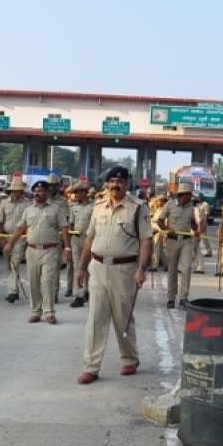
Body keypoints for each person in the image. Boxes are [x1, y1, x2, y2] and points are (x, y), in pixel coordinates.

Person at [74, 165, 151, 385]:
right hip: (98, 268)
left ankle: (129, 358)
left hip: (124, 270)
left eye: (120, 182)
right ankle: (91, 366)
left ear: (127, 184)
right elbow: (90, 239)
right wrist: (81, 267)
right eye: (112, 182)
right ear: (106, 184)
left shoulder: (137, 208)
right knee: (96, 318)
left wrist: (141, 269)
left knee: (122, 318)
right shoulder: (98, 208)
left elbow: (146, 240)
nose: (115, 185)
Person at [5, 179, 71, 324]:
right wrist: (10, 243)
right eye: (35, 191)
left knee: (48, 282)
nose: (37, 193)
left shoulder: (56, 209)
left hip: (51, 250)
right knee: (33, 282)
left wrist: (67, 248)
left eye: (40, 191)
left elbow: (64, 229)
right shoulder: (28, 210)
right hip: (32, 250)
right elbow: (20, 228)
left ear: (47, 193)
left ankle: (49, 312)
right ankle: (36, 312)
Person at [157, 182, 201, 309]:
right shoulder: (169, 205)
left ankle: (183, 298)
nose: (190, 197)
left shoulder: (191, 207)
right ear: (182, 195)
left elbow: (192, 222)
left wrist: (196, 229)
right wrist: (167, 228)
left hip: (187, 241)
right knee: (172, 270)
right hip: (172, 240)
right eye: (189, 195)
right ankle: (171, 298)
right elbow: (160, 221)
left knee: (186, 269)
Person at [0, 178, 29, 302]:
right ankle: (13, 287)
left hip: (20, 238)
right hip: (6, 236)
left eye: (19, 191)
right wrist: (1, 239)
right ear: (11, 191)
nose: (17, 193)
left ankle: (12, 292)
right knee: (8, 265)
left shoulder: (27, 204)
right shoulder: (3, 203)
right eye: (15, 191)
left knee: (15, 262)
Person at [67, 181, 95, 306]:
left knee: (89, 267)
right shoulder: (73, 207)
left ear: (85, 193)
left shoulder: (93, 207)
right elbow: (71, 224)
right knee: (77, 266)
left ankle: (87, 290)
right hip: (76, 239)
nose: (77, 194)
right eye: (76, 192)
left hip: (89, 239)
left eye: (79, 192)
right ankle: (78, 294)